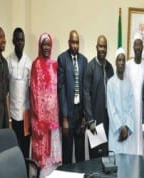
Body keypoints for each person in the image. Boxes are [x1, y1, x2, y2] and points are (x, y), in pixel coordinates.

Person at [30, 33, 61, 177]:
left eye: (49, 44)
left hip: (53, 121)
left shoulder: (55, 65)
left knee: (53, 161)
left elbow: (57, 91)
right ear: (40, 46)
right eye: (44, 44)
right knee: (41, 158)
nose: (47, 47)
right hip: (41, 122)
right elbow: (34, 93)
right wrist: (39, 119)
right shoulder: (35, 64)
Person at [57, 30, 87, 163]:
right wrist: (64, 117)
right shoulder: (62, 59)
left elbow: (85, 90)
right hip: (68, 114)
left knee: (80, 153)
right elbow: (61, 88)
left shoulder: (83, 61)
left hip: (79, 113)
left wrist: (84, 116)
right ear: (69, 42)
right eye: (73, 42)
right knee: (67, 153)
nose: (75, 45)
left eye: (77, 43)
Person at [84, 35, 114, 159]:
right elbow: (86, 94)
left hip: (108, 119)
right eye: (100, 46)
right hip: (95, 120)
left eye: (104, 46)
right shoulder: (90, 67)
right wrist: (90, 120)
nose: (102, 49)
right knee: (95, 154)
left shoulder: (110, 68)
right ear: (96, 47)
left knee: (106, 154)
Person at [7, 27, 32, 159]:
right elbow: (6, 92)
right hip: (12, 115)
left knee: (25, 151)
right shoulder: (8, 61)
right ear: (13, 41)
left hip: (26, 114)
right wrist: (9, 119)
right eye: (17, 40)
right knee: (13, 151)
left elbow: (31, 91)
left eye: (22, 40)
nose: (20, 43)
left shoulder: (29, 62)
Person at [125, 33, 144, 155]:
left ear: (142, 47)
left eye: (140, 44)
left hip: (142, 111)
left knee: (141, 144)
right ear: (133, 47)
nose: (138, 47)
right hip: (130, 110)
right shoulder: (127, 65)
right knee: (130, 142)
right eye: (136, 44)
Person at [107, 48, 134, 154]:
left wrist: (126, 128)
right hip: (115, 133)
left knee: (126, 165)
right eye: (119, 60)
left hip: (126, 134)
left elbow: (131, 108)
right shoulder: (110, 83)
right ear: (115, 62)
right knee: (114, 166)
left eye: (123, 60)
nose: (121, 63)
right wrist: (120, 128)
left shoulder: (129, 84)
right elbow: (111, 108)